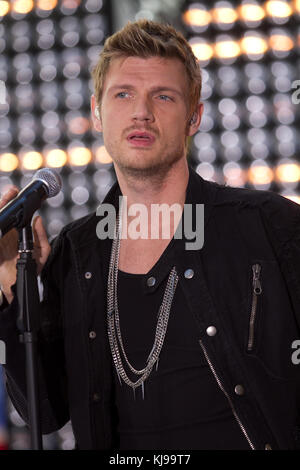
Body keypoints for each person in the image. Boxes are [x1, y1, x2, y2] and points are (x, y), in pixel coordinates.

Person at [0, 19, 300, 451]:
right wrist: (11, 281)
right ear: (97, 114)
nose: (142, 111)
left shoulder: (269, 227)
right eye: (123, 94)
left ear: (193, 117)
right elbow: (45, 412)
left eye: (163, 95)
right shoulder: (77, 254)